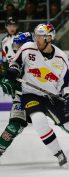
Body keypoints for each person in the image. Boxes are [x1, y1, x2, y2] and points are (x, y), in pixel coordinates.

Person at [6, 23, 69, 167]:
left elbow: (68, 83)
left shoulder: (61, 57)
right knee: (38, 120)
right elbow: (15, 63)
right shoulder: (27, 48)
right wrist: (14, 70)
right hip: (31, 94)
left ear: (49, 38)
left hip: (53, 96)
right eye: (36, 35)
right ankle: (58, 153)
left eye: (40, 37)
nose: (36, 39)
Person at [0, 28, 31, 159]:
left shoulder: (40, 57)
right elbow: (5, 75)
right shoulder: (12, 59)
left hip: (44, 97)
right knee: (14, 126)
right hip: (22, 98)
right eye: (15, 45)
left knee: (65, 120)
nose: (15, 48)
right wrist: (6, 82)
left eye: (18, 45)